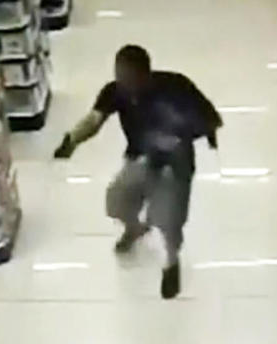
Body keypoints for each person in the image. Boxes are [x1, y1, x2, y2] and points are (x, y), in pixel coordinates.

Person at [54, 45, 223, 299]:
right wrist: (72, 140)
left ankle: (171, 263)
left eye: (129, 79)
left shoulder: (175, 86)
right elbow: (95, 119)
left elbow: (209, 116)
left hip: (174, 164)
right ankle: (134, 228)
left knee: (168, 218)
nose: (123, 84)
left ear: (146, 74)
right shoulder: (115, 91)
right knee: (116, 201)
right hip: (139, 159)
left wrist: (193, 134)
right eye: (119, 76)